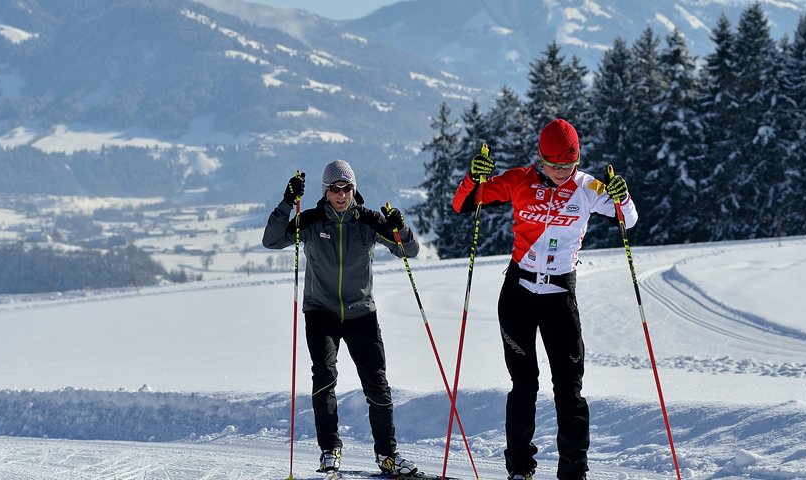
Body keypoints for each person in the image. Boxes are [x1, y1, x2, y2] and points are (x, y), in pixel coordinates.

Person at [451, 119, 636, 480]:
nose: (561, 173)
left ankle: (573, 472)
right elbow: (464, 204)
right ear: (540, 158)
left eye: (568, 166)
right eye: (554, 166)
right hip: (518, 293)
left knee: (569, 390)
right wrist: (473, 178)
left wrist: (621, 196)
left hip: (559, 296)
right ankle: (520, 468)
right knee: (525, 385)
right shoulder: (519, 179)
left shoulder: (588, 187)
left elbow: (627, 220)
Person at [262, 159, 423, 476]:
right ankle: (330, 450)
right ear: (325, 190)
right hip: (320, 311)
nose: (341, 194)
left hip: (361, 311)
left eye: (347, 188)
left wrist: (399, 227)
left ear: (354, 189)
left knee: (377, 383)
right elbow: (271, 239)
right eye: (335, 188)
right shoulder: (310, 221)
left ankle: (388, 455)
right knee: (324, 377)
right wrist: (286, 201)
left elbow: (409, 250)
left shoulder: (369, 221)